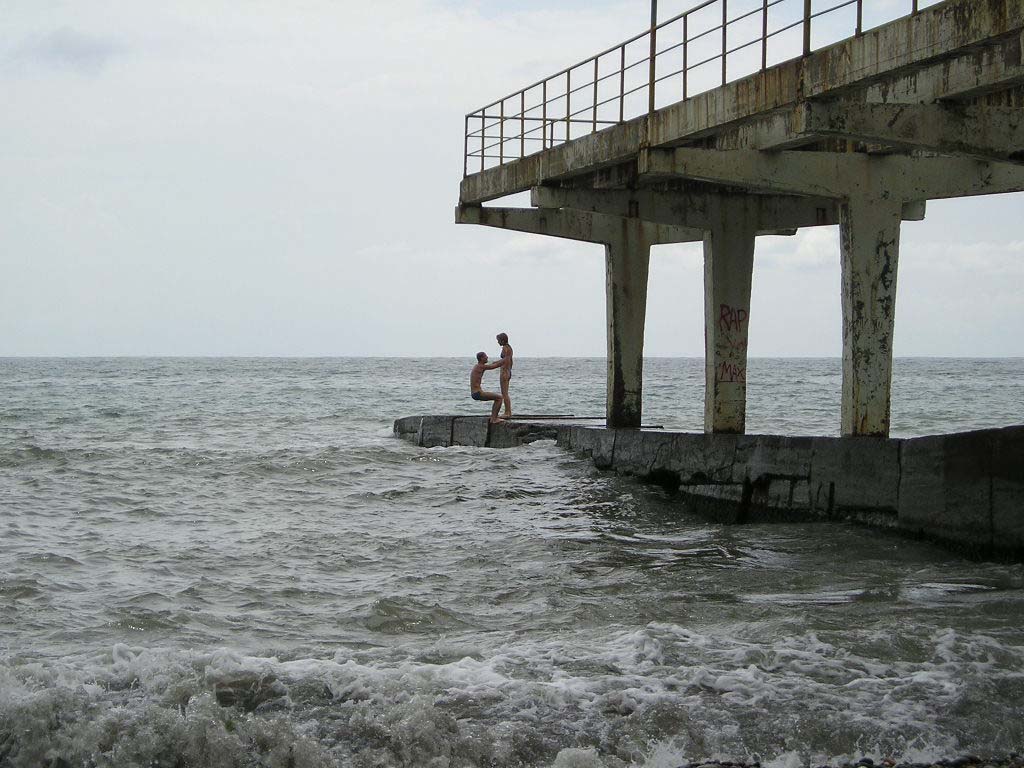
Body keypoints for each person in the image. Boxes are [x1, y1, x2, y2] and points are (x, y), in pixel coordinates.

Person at [470, 352, 505, 423]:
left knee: (498, 398)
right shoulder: (480, 366)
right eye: (485, 356)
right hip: (478, 393)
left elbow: (493, 364)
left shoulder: (478, 366)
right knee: (499, 398)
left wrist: (498, 361)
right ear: (481, 358)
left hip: (475, 393)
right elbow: (494, 366)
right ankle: (494, 419)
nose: (487, 357)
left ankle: (493, 417)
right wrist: (506, 358)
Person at [496, 332, 513, 418]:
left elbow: (506, 360)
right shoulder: (509, 348)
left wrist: (495, 364)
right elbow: (510, 361)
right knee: (505, 393)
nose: (498, 342)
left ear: (502, 340)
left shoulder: (506, 348)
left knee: (504, 393)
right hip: (507, 371)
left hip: (505, 372)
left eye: (498, 340)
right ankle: (507, 411)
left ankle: (507, 412)